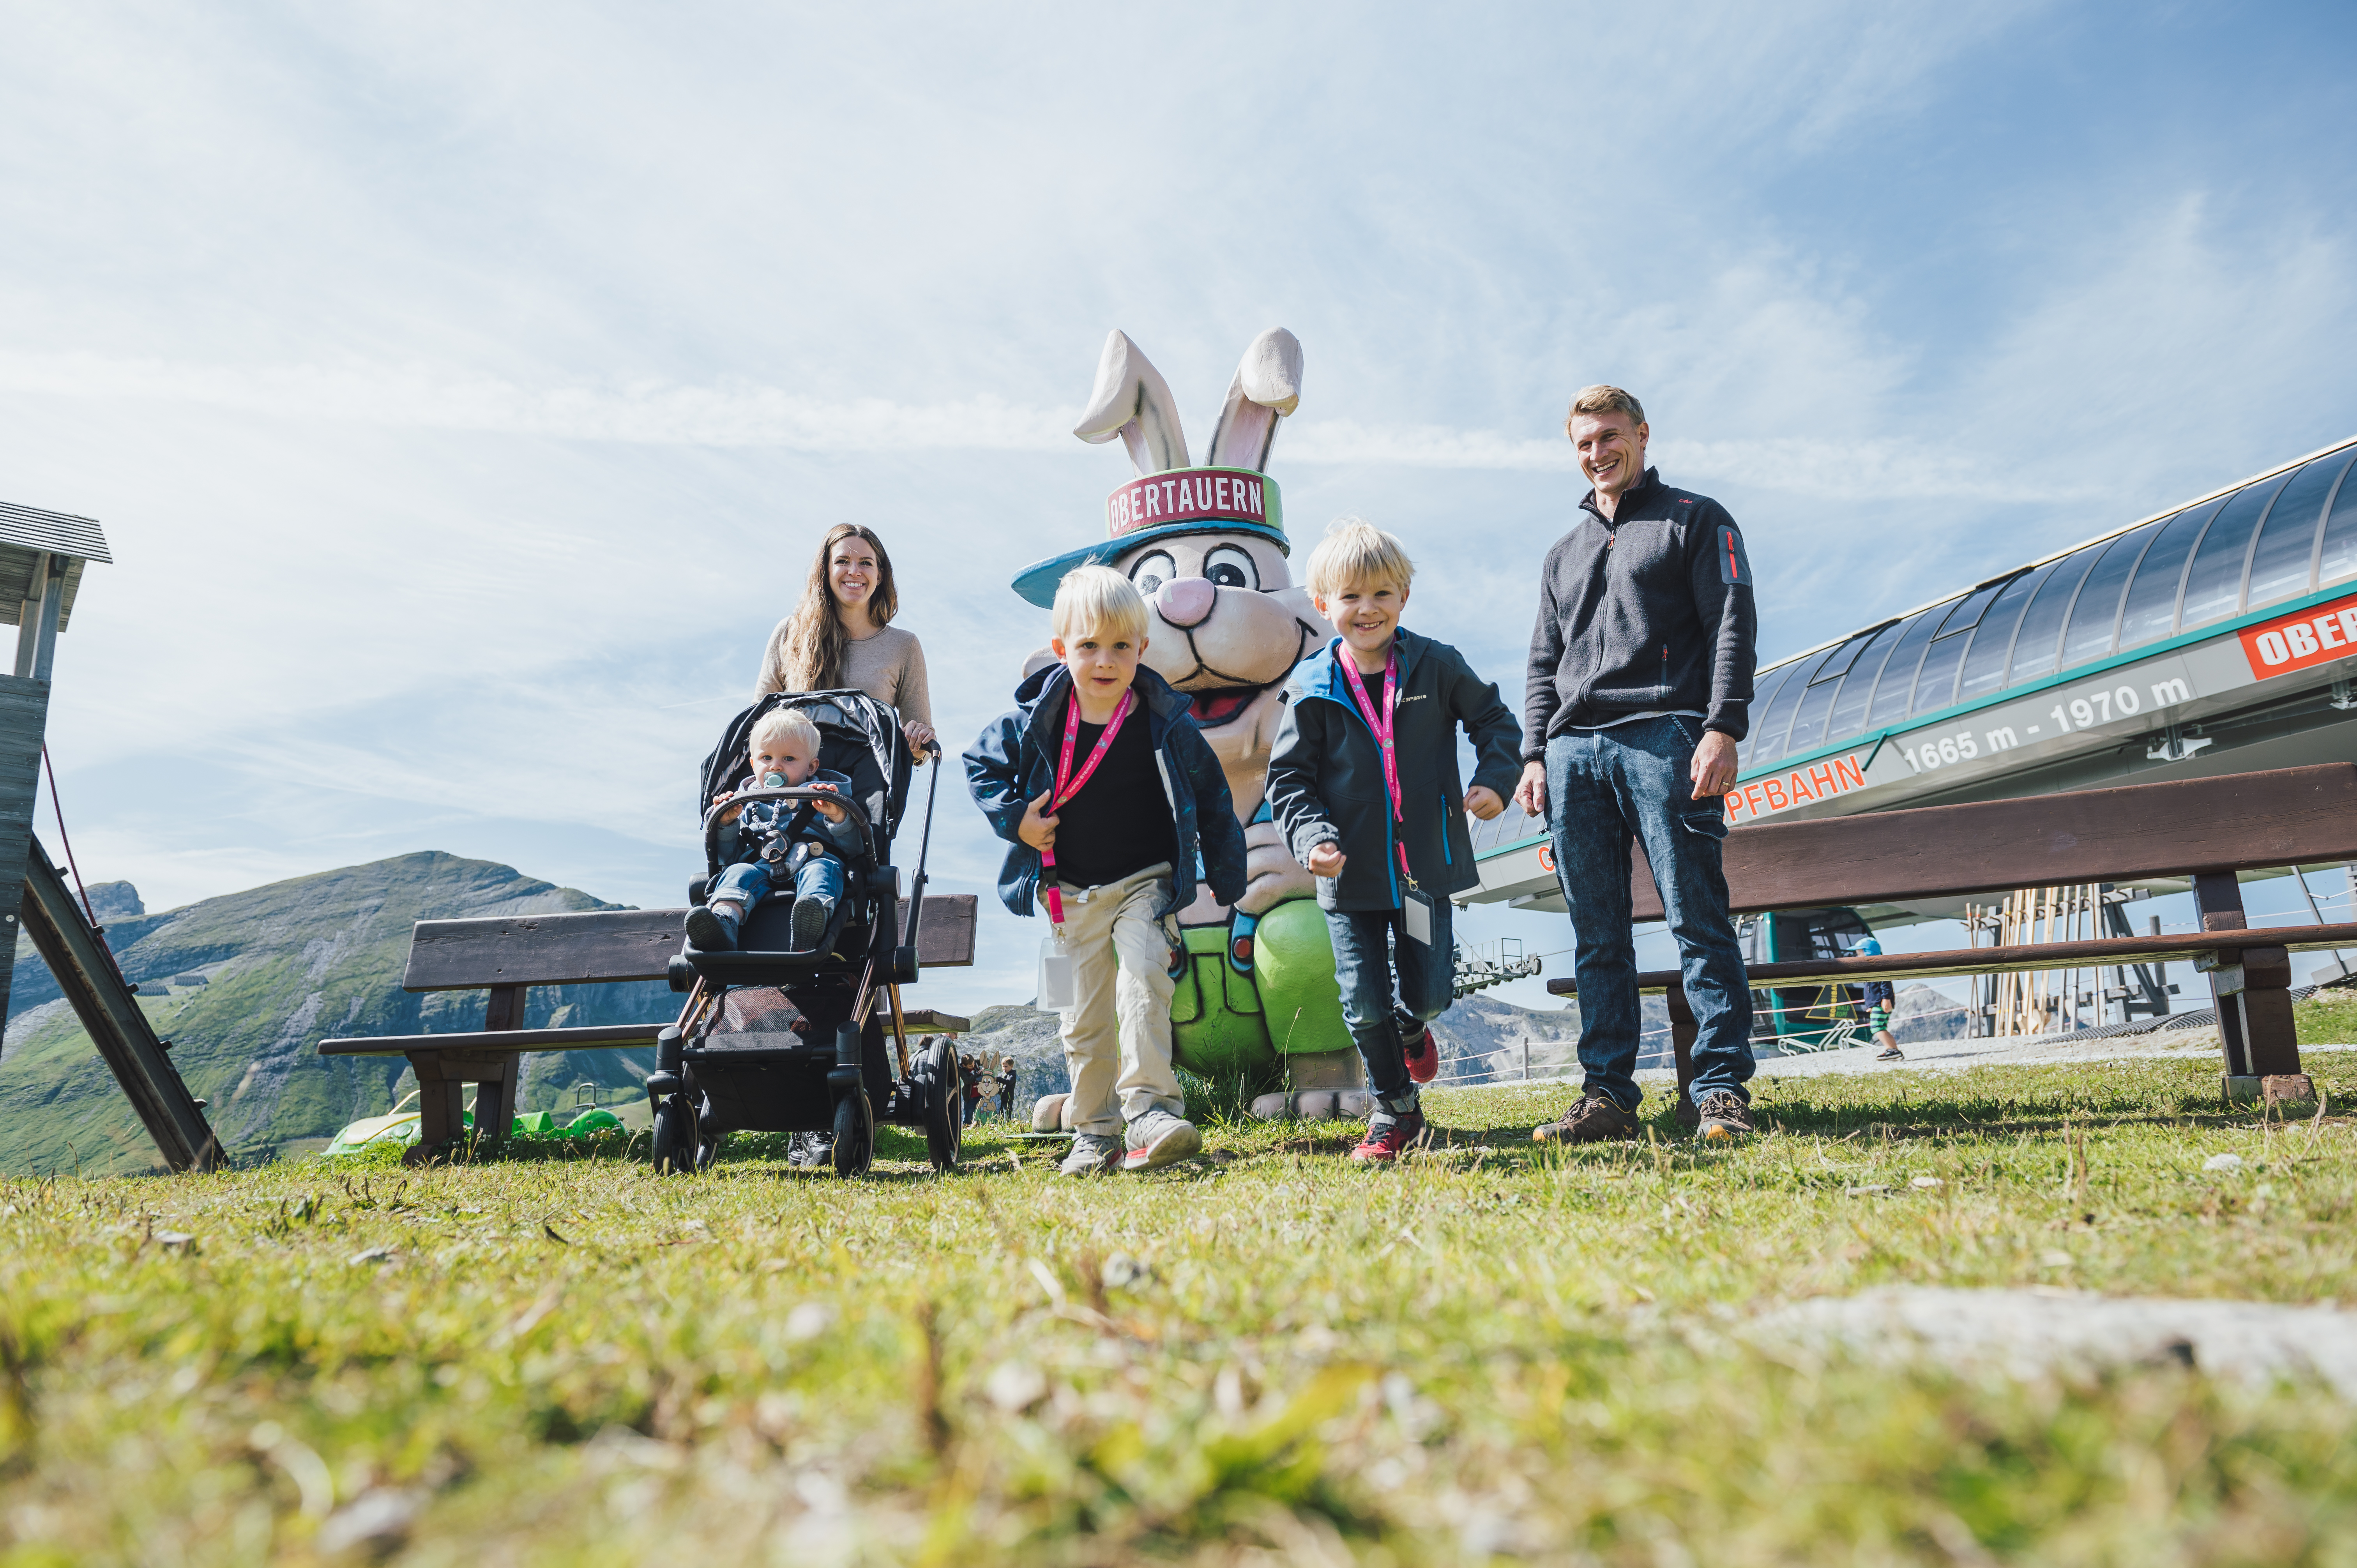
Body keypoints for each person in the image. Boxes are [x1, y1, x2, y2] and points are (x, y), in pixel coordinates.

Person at [1516, 385, 1761, 1144]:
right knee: (1597, 934)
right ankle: (1608, 1097)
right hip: (1573, 755)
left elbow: (1731, 624)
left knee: (1697, 917)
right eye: (1584, 442)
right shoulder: (1562, 554)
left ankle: (1719, 1091)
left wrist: (1721, 727)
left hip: (1665, 736)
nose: (1598, 452)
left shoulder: (1696, 519)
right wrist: (1534, 753)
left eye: (1610, 436)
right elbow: (1543, 662)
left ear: (1642, 434)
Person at [964, 565, 1249, 1176]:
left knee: (1143, 981)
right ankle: (1095, 1133)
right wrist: (1017, 820)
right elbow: (979, 765)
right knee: (1082, 1017)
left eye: (1121, 646)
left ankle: (1150, 1113)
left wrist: (1229, 876)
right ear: (1061, 649)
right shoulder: (1032, 720)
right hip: (1067, 897)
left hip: (1145, 884)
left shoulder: (1166, 722)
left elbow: (1213, 797)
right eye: (1089, 645)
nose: (1105, 660)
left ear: (1142, 649)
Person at [1265, 520, 1521, 1163]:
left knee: (1430, 993)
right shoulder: (1311, 687)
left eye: (1382, 593)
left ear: (1404, 596)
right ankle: (1395, 1109)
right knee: (1360, 1001)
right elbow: (1289, 781)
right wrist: (1313, 839)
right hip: (1347, 877)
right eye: (1350, 596)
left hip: (1421, 875)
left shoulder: (1437, 664)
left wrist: (1495, 779)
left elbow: (1495, 722)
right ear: (1322, 604)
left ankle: (1411, 1027)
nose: (1367, 608)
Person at [685, 707, 863, 954]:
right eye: (766, 758)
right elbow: (728, 857)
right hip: (759, 868)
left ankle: (811, 921)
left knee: (824, 870)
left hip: (813, 860)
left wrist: (838, 817)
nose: (775, 767)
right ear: (753, 763)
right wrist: (726, 824)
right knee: (737, 872)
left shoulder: (824, 797)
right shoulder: (744, 803)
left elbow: (854, 850)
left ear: (811, 767)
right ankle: (723, 923)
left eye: (788, 759)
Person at [756, 524, 937, 754]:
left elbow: (920, 748)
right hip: (798, 776)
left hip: (868, 776)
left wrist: (918, 740)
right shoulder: (789, 633)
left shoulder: (905, 646)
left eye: (866, 563)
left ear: (880, 575)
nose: (854, 571)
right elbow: (758, 723)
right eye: (842, 561)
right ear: (826, 571)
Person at [1855, 935, 1903, 1059]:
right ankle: (1893, 1050)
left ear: (1868, 953)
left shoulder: (1878, 967)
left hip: (1881, 1003)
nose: (1857, 957)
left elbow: (1885, 984)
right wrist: (1871, 1005)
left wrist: (1886, 999)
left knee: (1877, 1027)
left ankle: (1892, 1050)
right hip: (1877, 1004)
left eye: (1859, 954)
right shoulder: (1871, 969)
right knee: (1880, 1026)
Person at [997, 1055, 1019, 1120]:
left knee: (1007, 1116)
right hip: (1000, 1099)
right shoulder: (1001, 1074)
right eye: (1003, 1067)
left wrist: (998, 1079)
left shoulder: (1013, 1075)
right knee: (1000, 1117)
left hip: (1008, 1100)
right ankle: (1001, 1126)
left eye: (1006, 1067)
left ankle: (1008, 1125)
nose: (1004, 1069)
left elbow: (1008, 1082)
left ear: (1012, 1066)